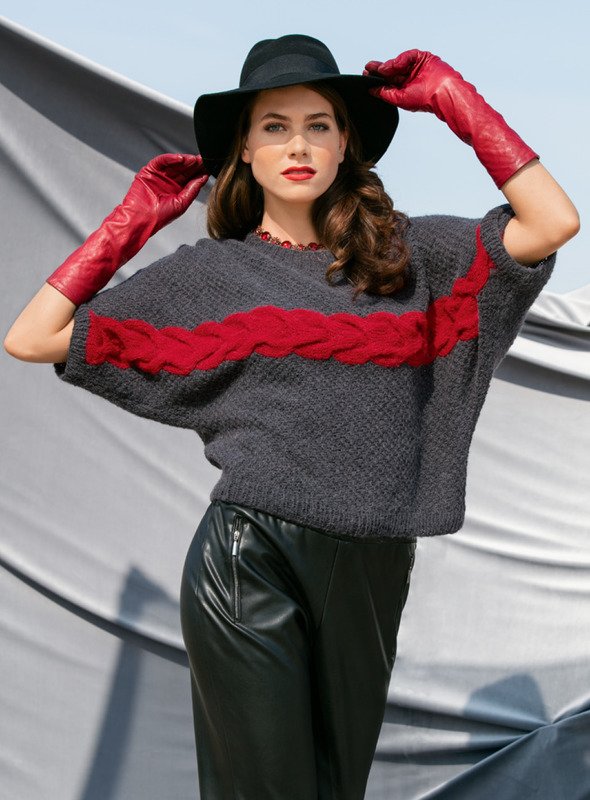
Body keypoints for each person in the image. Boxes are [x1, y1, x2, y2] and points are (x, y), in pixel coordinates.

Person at [3, 33, 579, 800]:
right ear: (245, 149)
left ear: (346, 144)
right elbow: (31, 337)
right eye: (274, 126)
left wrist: (456, 102)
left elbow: (552, 222)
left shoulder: (413, 259)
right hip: (253, 558)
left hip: (375, 567)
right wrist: (131, 221)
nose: (298, 145)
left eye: (318, 125)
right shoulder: (213, 275)